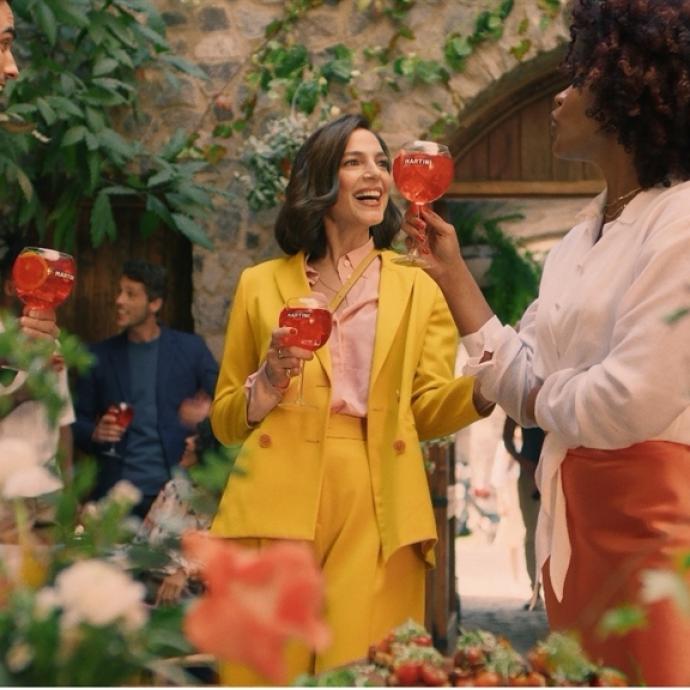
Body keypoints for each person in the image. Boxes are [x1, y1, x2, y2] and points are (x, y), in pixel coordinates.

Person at [401, 0, 690, 683]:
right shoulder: (574, 242)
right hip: (573, 526)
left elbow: (628, 400)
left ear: (627, 94)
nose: (559, 97)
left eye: (579, 79)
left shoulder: (680, 222)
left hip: (655, 528)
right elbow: (518, 375)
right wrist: (453, 276)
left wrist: (537, 398)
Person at [210, 114, 490, 684]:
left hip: (377, 493)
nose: (375, 175)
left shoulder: (419, 284)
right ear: (320, 179)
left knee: (358, 670)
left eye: (381, 163)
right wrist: (267, 383)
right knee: (266, 671)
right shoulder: (259, 284)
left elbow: (425, 406)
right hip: (274, 494)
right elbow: (224, 420)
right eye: (354, 162)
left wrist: (485, 390)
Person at [72, 259, 219, 518]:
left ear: (155, 303)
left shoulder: (191, 349)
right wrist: (95, 432)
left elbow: (227, 402)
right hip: (115, 497)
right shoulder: (98, 356)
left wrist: (208, 412)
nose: (119, 300)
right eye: (120, 291)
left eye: (130, 294)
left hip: (177, 495)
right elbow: (73, 422)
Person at [502, 416, 544, 608]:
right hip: (530, 472)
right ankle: (535, 589)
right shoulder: (520, 402)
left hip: (555, 468)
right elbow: (506, 436)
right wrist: (523, 461)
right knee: (532, 533)